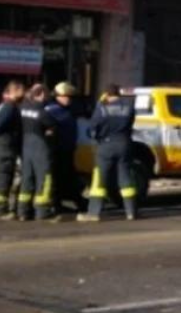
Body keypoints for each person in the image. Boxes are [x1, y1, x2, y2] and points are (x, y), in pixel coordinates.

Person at [79, 84, 137, 222]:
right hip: (124, 143)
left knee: (100, 179)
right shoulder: (129, 107)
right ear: (119, 93)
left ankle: (94, 213)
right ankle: (131, 212)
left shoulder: (102, 108)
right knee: (125, 177)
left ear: (106, 94)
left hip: (106, 145)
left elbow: (93, 128)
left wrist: (100, 103)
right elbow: (130, 124)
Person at [17, 83, 58, 221]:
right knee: (44, 179)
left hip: (26, 146)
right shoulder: (42, 112)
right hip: (40, 147)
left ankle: (23, 211)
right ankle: (42, 210)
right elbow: (53, 127)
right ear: (40, 95)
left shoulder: (23, 108)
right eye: (45, 95)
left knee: (27, 179)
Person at [0, 80, 25, 221]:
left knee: (4, 178)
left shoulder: (10, 106)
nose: (22, 92)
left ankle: (0, 209)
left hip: (5, 149)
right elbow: (0, 124)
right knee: (2, 178)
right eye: (18, 89)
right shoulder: (10, 107)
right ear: (9, 93)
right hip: (4, 150)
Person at [46, 82, 83, 213]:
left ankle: (75, 201)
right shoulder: (53, 110)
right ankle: (56, 204)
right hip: (58, 151)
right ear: (58, 96)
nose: (69, 99)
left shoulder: (66, 110)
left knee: (68, 177)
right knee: (58, 178)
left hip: (67, 149)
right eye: (67, 96)